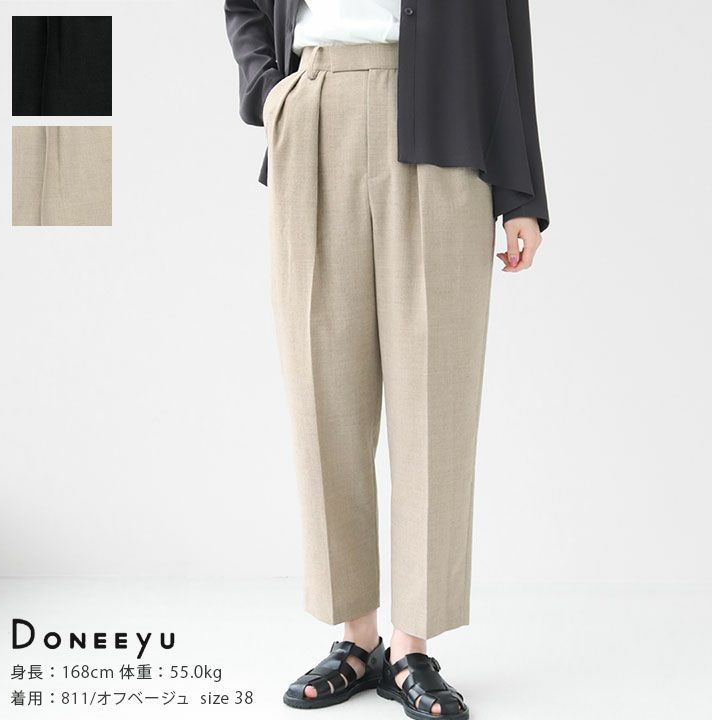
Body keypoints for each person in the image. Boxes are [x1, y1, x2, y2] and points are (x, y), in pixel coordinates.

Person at [224, 1, 548, 717]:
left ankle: (411, 646)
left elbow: (507, 28)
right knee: (323, 387)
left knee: (437, 394)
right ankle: (355, 636)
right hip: (314, 110)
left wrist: (522, 192)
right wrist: (270, 91)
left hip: (445, 122)